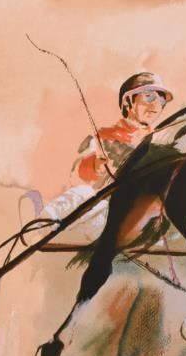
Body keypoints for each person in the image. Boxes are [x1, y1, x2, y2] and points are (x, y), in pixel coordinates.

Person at [28, 72, 173, 240]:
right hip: (103, 214)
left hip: (141, 219)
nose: (156, 103)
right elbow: (76, 178)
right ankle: (41, 227)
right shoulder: (104, 136)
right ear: (128, 101)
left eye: (161, 99)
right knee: (84, 193)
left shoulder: (161, 142)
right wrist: (95, 166)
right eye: (148, 96)